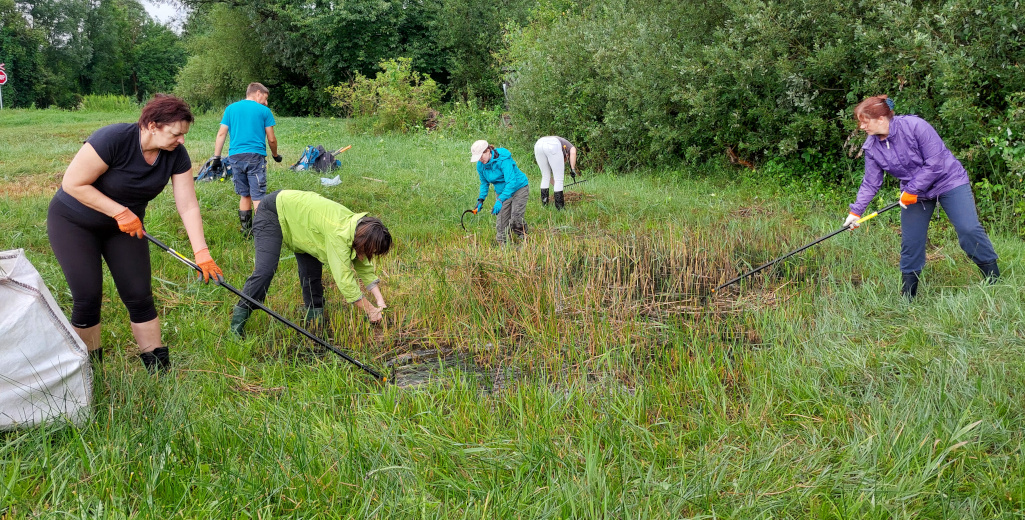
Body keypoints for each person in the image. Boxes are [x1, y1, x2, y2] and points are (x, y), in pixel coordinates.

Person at [46, 94, 223, 373]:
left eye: (184, 135)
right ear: (153, 126)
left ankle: (158, 368)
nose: (181, 140)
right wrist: (119, 211)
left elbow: (188, 205)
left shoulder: (176, 155)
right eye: (176, 133)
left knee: (139, 294)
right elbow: (72, 183)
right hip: (74, 222)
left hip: (124, 229)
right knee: (88, 296)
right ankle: (89, 371)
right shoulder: (113, 138)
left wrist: (202, 253)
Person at [844, 94, 999, 299]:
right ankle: (908, 296)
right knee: (911, 241)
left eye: (865, 122)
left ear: (881, 119)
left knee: (968, 228)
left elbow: (936, 163)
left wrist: (911, 190)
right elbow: (871, 182)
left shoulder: (916, 126)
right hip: (915, 193)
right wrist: (856, 212)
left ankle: (993, 279)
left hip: (949, 181)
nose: (862, 127)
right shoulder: (872, 147)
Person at [229, 190, 392, 336]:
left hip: (304, 226)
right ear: (363, 240)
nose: (364, 257)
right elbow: (345, 280)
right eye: (366, 252)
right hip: (273, 211)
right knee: (265, 271)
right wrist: (370, 311)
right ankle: (237, 324)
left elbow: (364, 268)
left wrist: (380, 301)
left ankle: (315, 322)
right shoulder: (339, 234)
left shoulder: (356, 228)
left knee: (312, 273)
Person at [210, 82, 282, 237]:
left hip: (235, 157)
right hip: (255, 157)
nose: (266, 102)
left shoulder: (231, 109)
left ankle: (246, 231)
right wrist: (275, 155)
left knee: (245, 194)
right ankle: (262, 233)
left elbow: (221, 134)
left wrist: (216, 157)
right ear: (257, 93)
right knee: (258, 195)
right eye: (265, 97)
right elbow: (271, 139)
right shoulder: (264, 111)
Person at [470, 140, 529, 244]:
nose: (480, 159)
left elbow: (511, 182)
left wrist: (500, 200)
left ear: (488, 151)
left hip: (518, 188)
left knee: (516, 217)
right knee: (501, 221)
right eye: (477, 157)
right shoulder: (481, 165)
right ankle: (503, 244)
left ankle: (523, 236)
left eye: (481, 156)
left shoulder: (503, 160)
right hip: (501, 191)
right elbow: (484, 183)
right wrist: (480, 200)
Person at [533, 136, 579, 209]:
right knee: (559, 179)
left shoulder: (561, 144)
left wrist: (556, 186)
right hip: (553, 145)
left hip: (538, 145)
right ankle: (560, 207)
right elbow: (573, 151)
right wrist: (573, 169)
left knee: (545, 176)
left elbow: (549, 177)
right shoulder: (569, 146)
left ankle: (545, 204)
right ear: (566, 155)